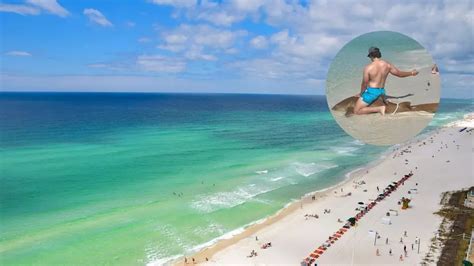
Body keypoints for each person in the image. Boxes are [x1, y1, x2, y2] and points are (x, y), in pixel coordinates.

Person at [354, 47, 419, 115]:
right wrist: (411, 73)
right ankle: (381, 98)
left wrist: (361, 93)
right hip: (382, 91)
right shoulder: (387, 64)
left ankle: (379, 108)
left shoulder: (368, 68)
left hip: (372, 92)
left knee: (357, 111)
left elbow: (364, 83)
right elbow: (399, 74)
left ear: (371, 56)